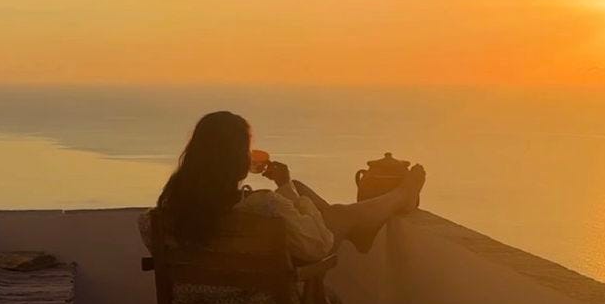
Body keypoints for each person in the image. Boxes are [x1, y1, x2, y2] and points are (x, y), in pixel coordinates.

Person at [143, 110, 426, 262]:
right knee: (336, 216)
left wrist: (290, 187)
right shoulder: (265, 205)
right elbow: (319, 245)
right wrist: (285, 189)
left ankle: (361, 226)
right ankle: (402, 194)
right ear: (238, 159)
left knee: (303, 191)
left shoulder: (165, 214)